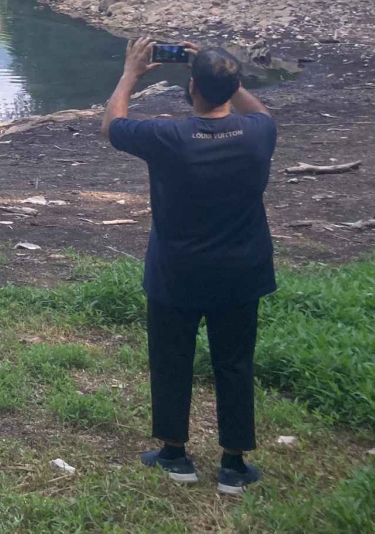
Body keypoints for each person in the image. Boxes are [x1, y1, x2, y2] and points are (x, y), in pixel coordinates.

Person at [101, 38, 276, 496]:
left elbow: (112, 125)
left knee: (171, 359)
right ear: (234, 86)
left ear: (191, 87)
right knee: (235, 363)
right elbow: (260, 112)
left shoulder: (169, 137)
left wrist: (131, 72)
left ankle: (175, 455)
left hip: (177, 273)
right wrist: (225, 74)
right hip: (241, 272)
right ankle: (234, 466)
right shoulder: (258, 133)